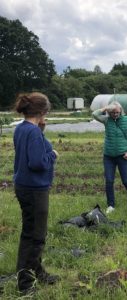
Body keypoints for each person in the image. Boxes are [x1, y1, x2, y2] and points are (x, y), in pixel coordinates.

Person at [13, 92, 60, 294]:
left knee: (31, 232)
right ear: (41, 112)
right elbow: (37, 162)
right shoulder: (32, 132)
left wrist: (41, 130)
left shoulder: (23, 129)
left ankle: (37, 271)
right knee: (35, 236)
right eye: (46, 113)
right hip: (34, 188)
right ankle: (25, 283)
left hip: (25, 186)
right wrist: (52, 155)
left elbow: (33, 150)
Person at [92, 102, 127, 214]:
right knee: (109, 181)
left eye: (117, 112)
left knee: (126, 181)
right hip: (108, 156)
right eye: (113, 112)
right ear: (109, 112)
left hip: (124, 155)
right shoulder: (106, 120)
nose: (115, 114)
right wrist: (105, 108)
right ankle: (111, 205)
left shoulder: (126, 120)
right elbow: (95, 114)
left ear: (121, 111)